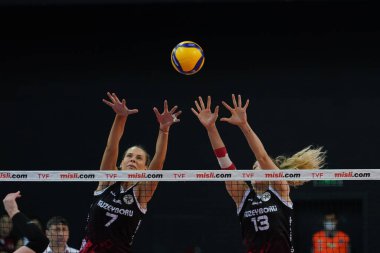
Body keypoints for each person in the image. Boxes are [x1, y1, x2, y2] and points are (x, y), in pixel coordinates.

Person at [192, 95, 326, 253]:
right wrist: (211, 128)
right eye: (253, 167)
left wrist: (244, 125)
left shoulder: (279, 190)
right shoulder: (243, 197)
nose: (255, 170)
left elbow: (261, 156)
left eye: (260, 167)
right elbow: (225, 163)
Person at [80, 92, 181, 253]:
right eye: (129, 156)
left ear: (145, 169)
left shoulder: (141, 193)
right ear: (120, 163)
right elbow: (111, 147)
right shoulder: (107, 182)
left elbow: (158, 162)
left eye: (139, 158)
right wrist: (120, 117)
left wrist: (164, 131)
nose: (133, 160)